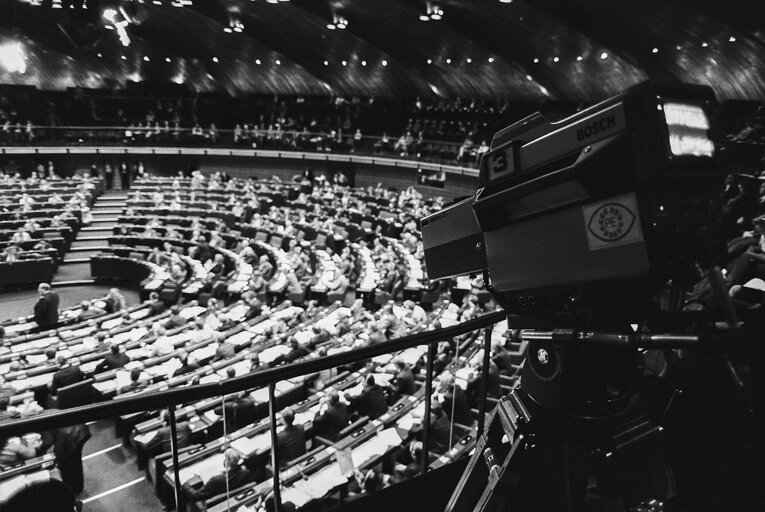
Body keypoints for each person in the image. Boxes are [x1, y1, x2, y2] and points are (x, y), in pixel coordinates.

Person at [183, 448, 254, 505]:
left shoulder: (215, 480)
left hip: (213, 504)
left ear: (226, 461)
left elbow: (194, 496)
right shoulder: (245, 472)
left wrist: (184, 484)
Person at [52, 423, 91, 494]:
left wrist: (56, 460)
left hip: (69, 436)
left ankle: (73, 490)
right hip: (77, 430)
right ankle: (77, 488)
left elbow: (58, 454)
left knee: (67, 466)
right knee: (75, 462)